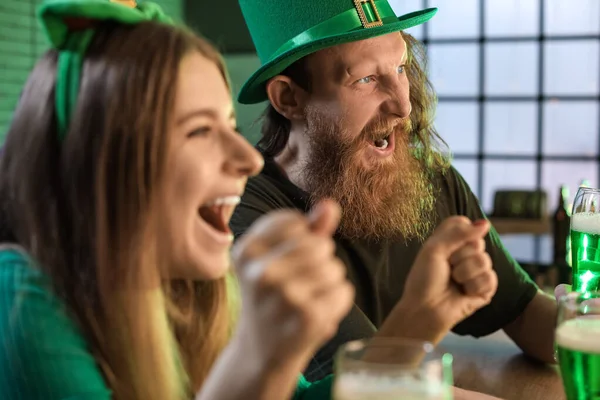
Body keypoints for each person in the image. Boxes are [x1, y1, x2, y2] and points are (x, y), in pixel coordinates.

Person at [0, 0, 500, 399]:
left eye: (227, 124)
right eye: (199, 130)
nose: (245, 156)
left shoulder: (195, 288)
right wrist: (261, 352)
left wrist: (422, 316)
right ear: (104, 162)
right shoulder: (23, 301)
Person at [231, 0, 559, 382]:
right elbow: (355, 385)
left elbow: (522, 311)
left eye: (401, 68)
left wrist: (582, 324)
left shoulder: (430, 181)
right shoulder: (249, 220)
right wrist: (424, 316)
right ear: (289, 98)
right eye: (365, 80)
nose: (403, 105)